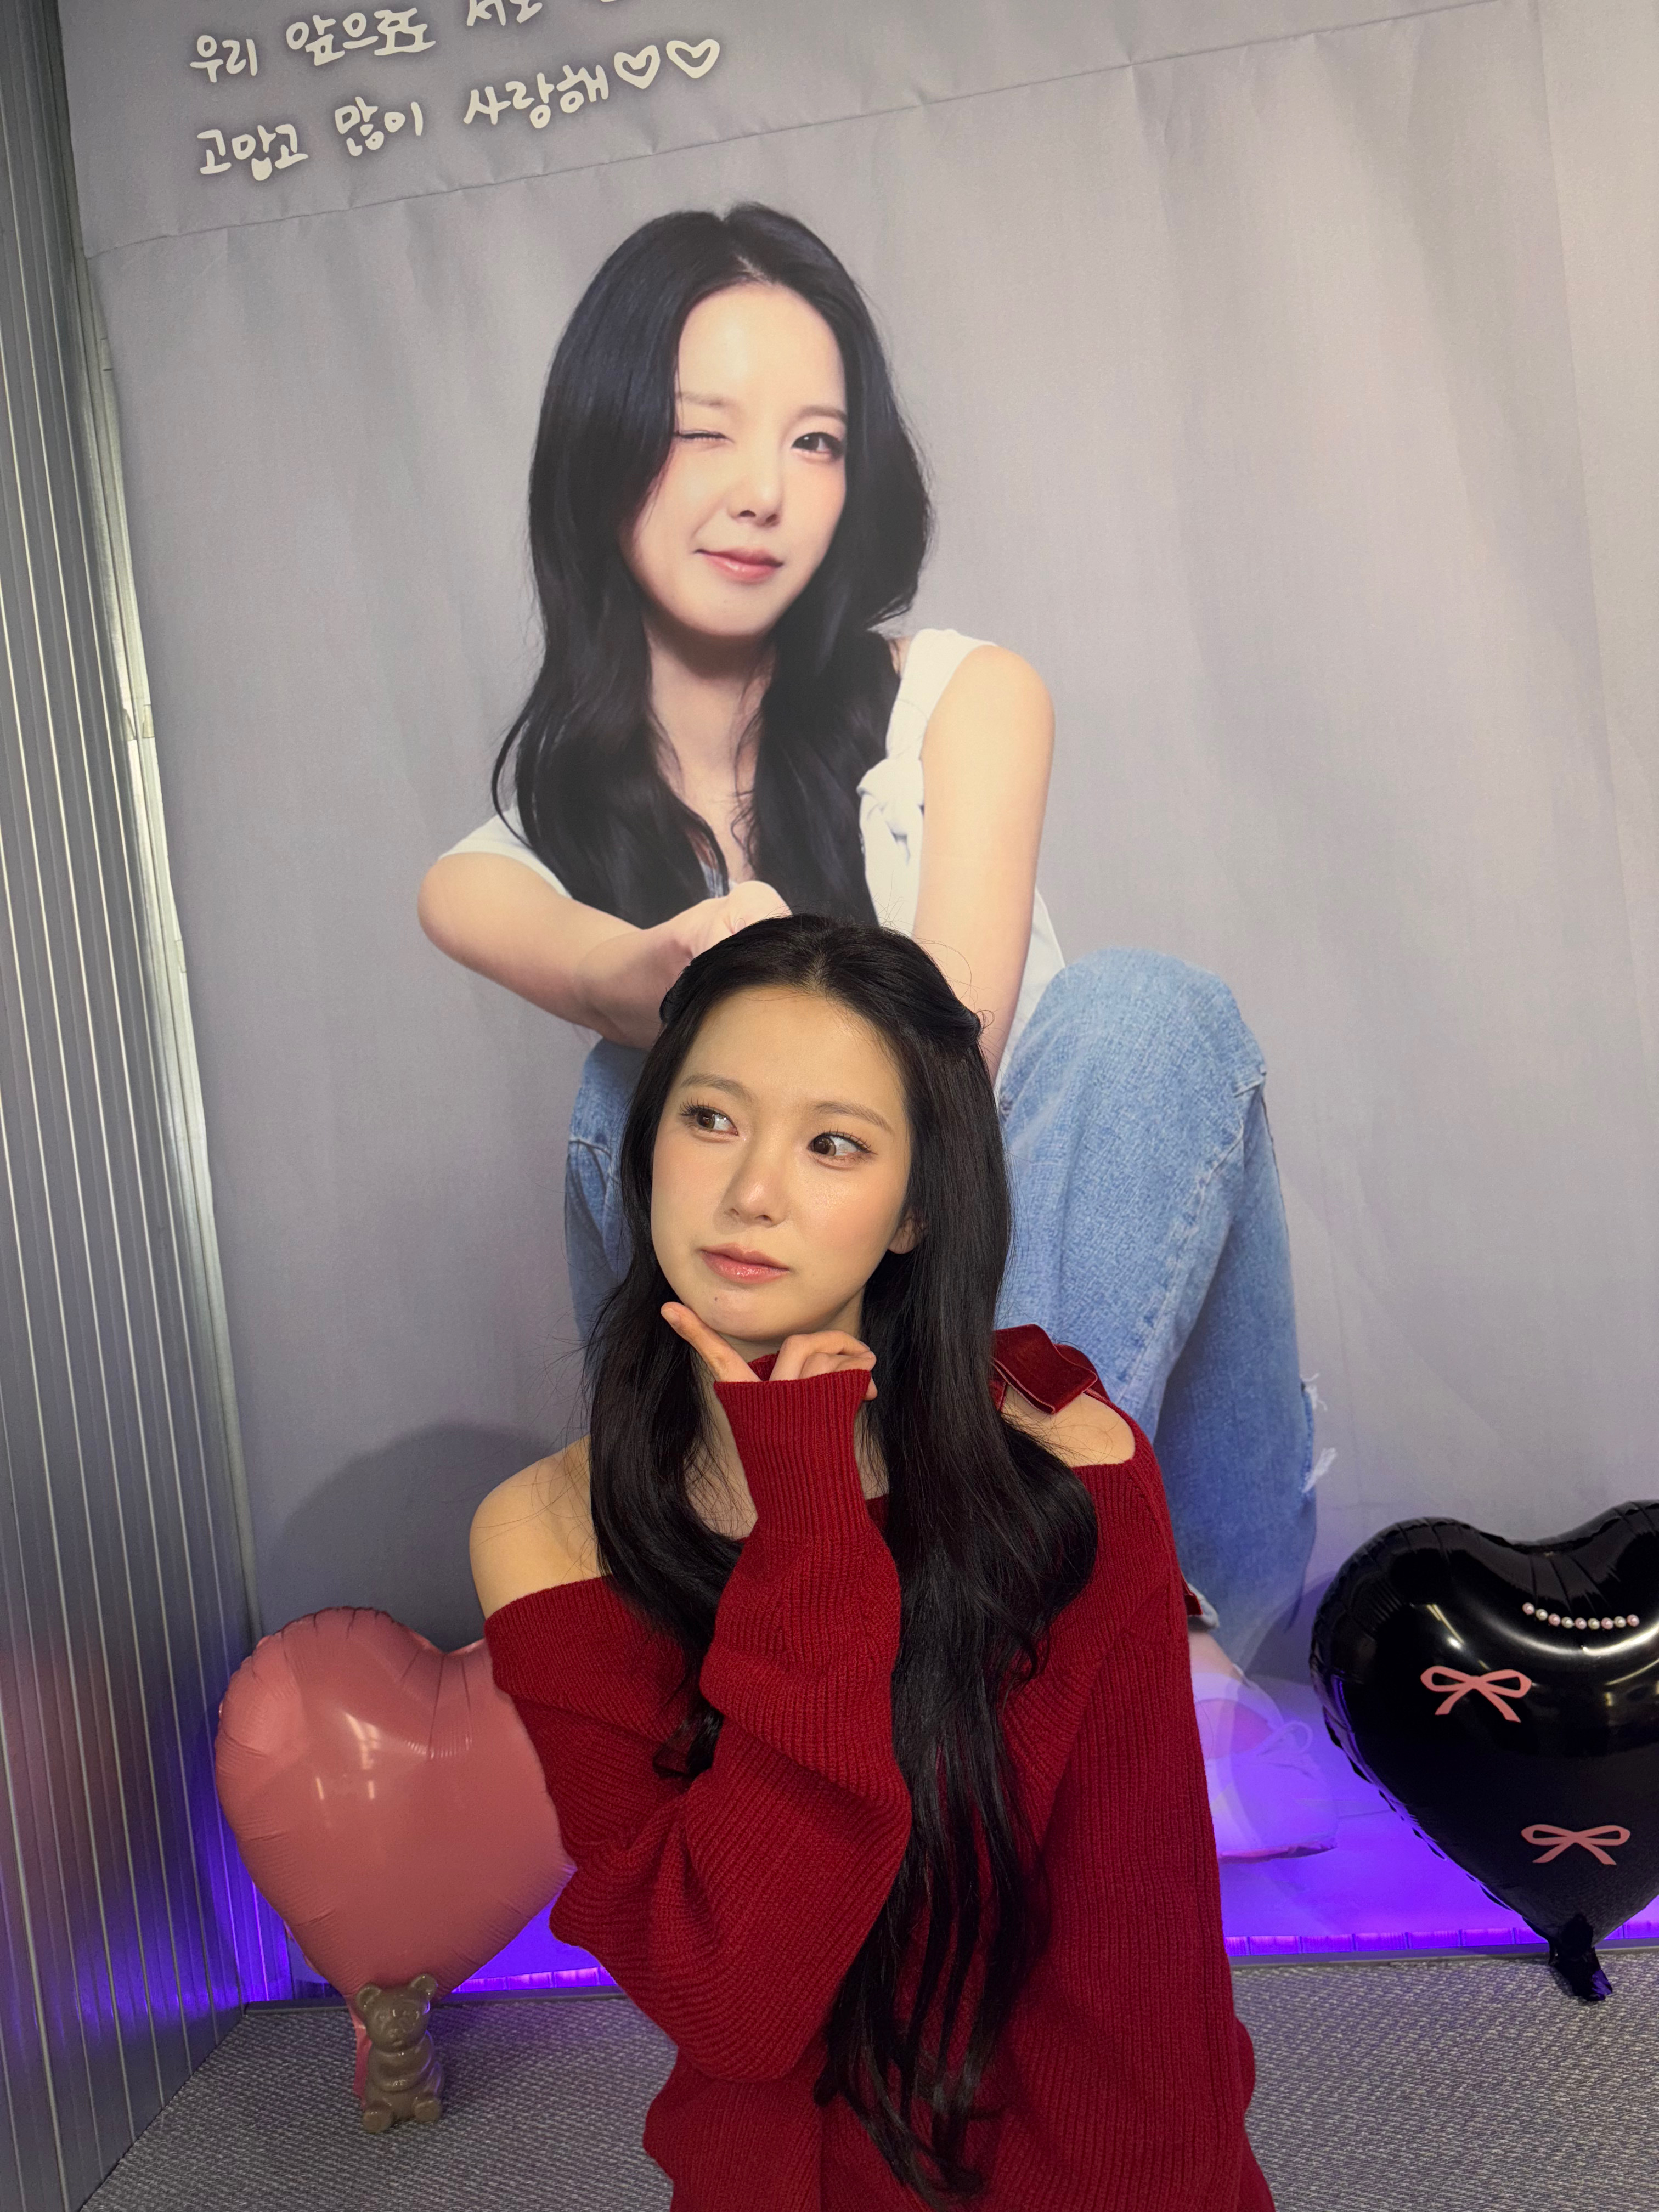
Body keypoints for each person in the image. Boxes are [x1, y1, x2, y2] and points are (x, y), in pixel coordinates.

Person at [420, 201, 1334, 1858]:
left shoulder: (962, 699)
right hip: (798, 1499)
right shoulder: (528, 842)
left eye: (817, 440)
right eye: (704, 429)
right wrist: (667, 976)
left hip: (1107, 1484)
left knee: (1142, 1017)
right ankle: (892, 1651)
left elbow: (945, 1072)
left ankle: (1027, 1639)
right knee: (633, 1088)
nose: (766, 489)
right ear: (601, 447)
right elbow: (533, 937)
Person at [470, 915, 1276, 2211]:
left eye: (833, 1144)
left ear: (913, 1214)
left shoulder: (1067, 1467)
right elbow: (733, 2002)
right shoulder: (549, 1534)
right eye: (711, 1119)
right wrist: (805, 1505)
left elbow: (1140, 1972)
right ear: (650, 1145)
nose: (753, 1193)